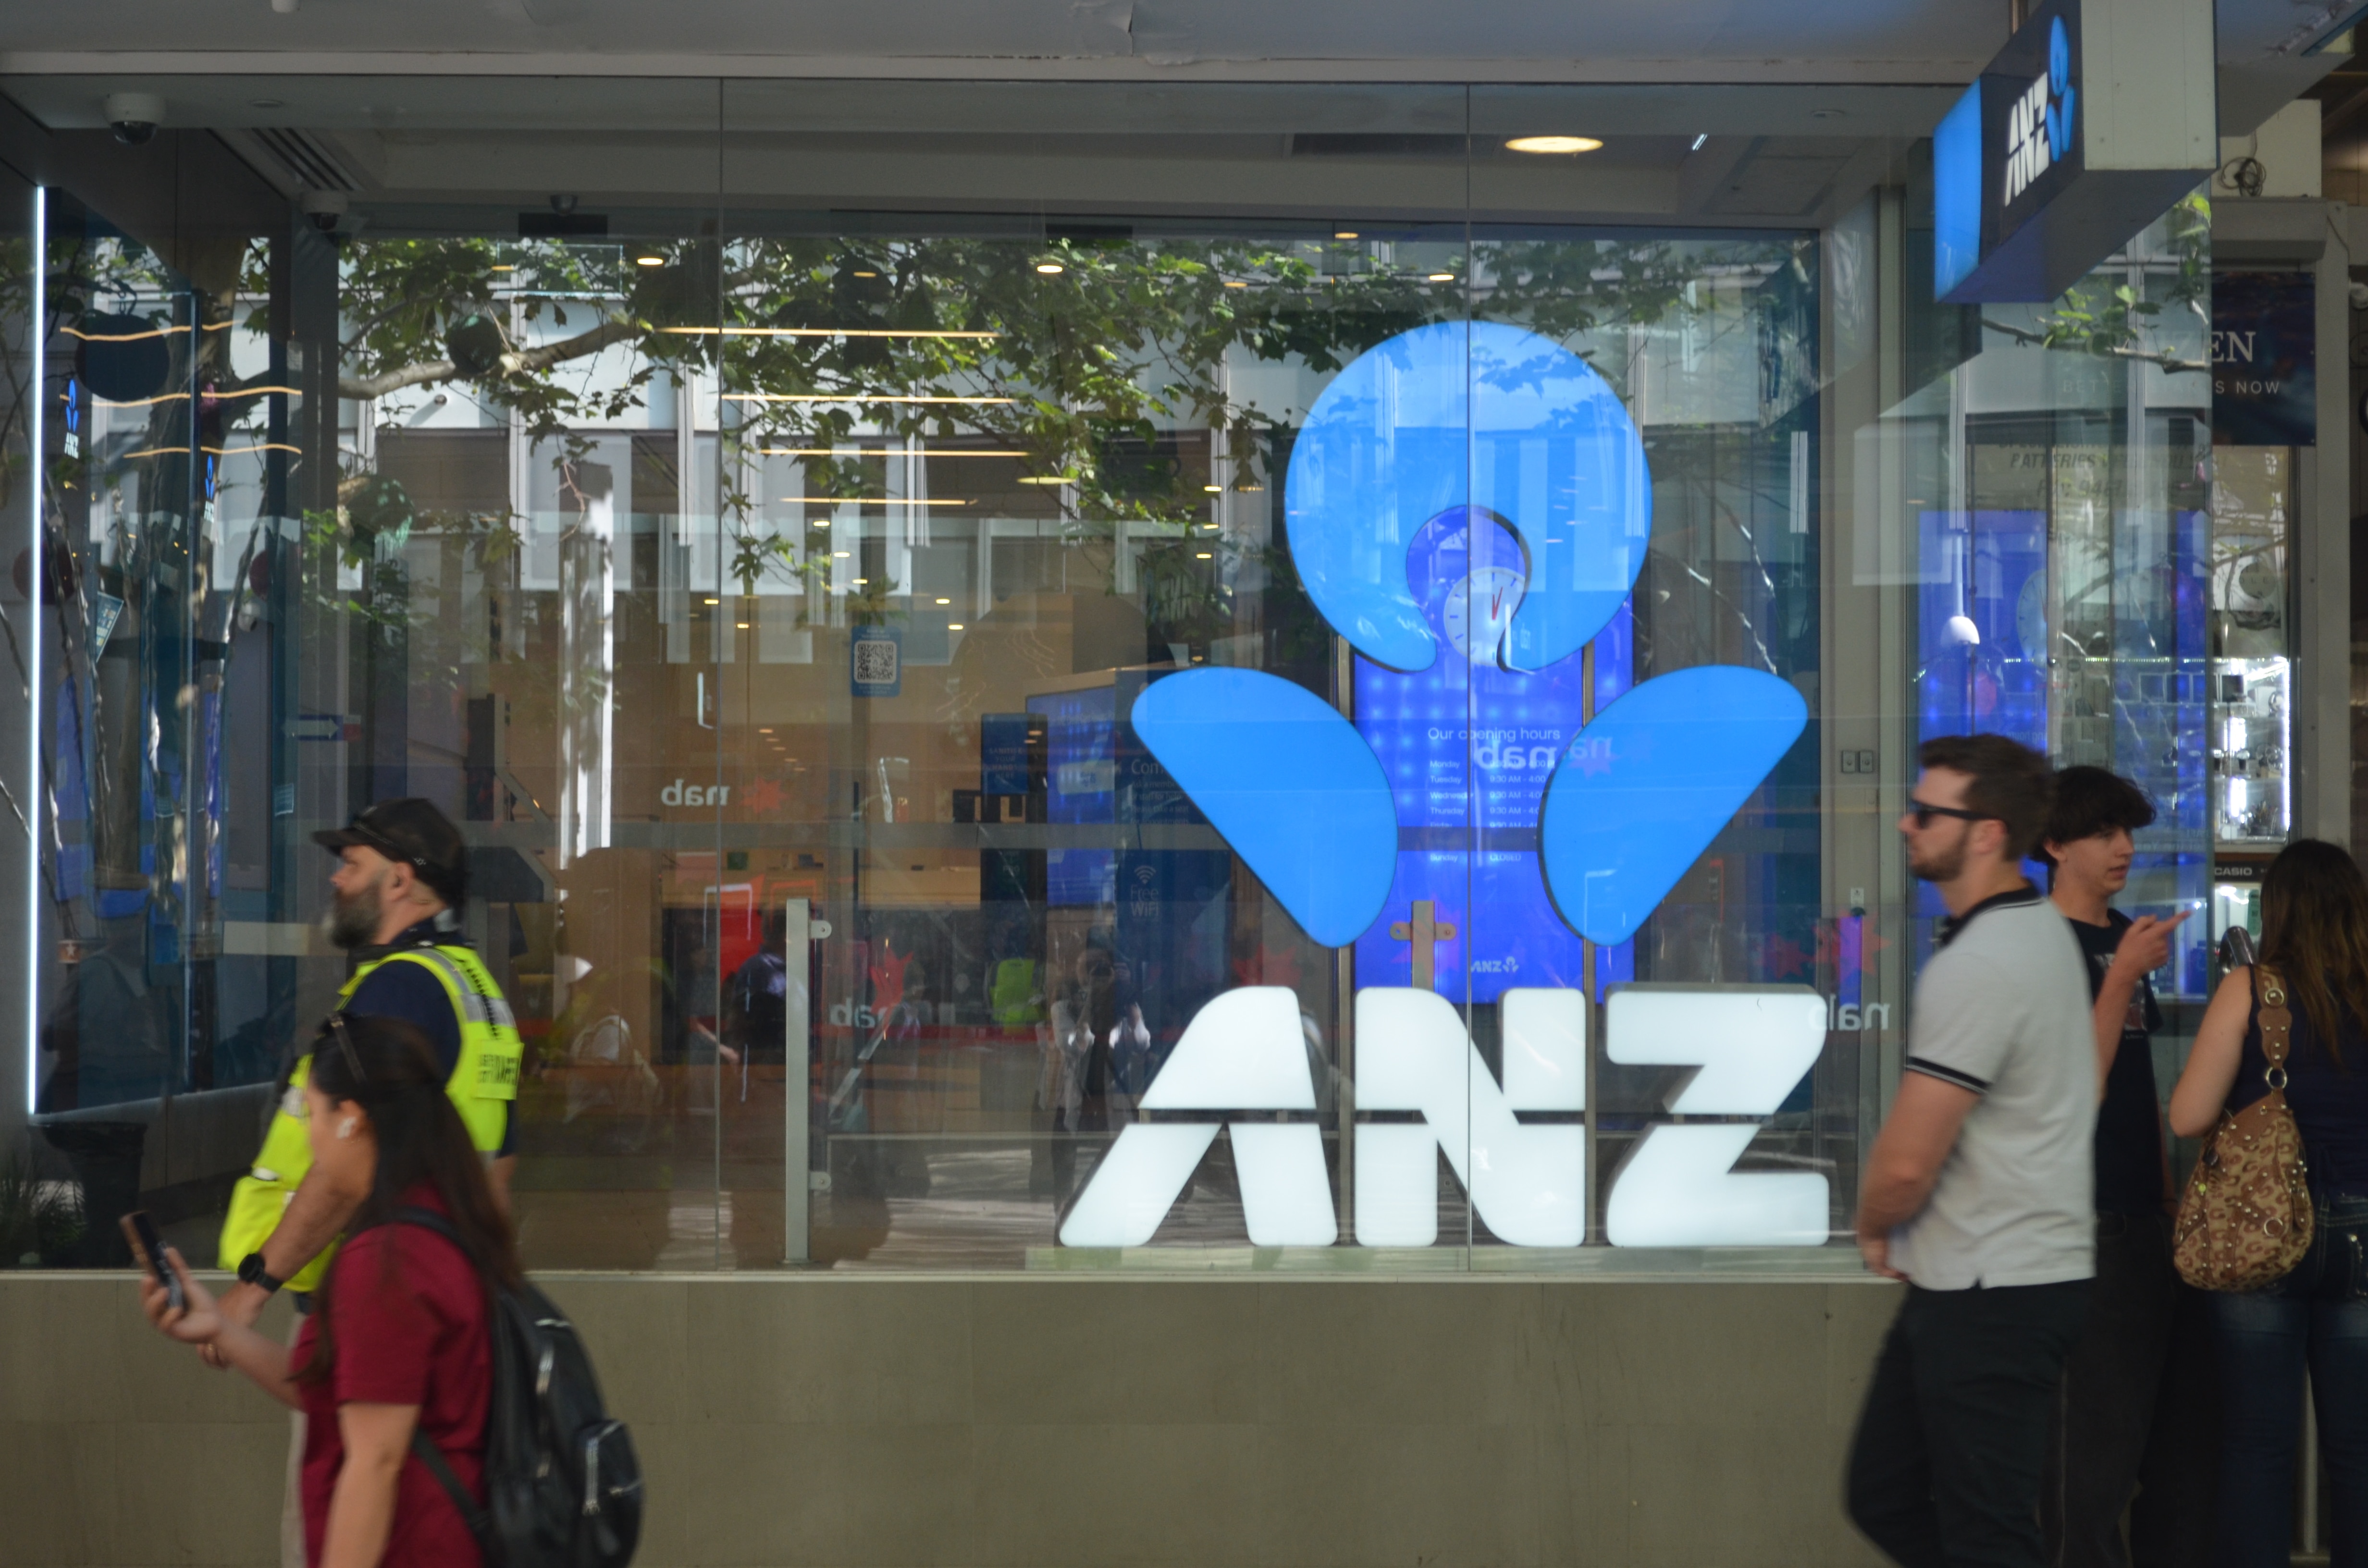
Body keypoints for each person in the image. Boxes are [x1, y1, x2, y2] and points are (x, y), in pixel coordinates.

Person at [210, 797, 525, 1568]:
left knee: (347, 1513)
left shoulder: (397, 991)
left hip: (371, 1303)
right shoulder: (475, 988)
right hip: (442, 1302)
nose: (337, 878)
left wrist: (253, 1286)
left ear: (402, 881)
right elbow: (502, 1165)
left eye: (352, 864)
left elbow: (345, 1176)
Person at [1845, 733, 2098, 1568]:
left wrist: (1874, 1223)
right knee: (1886, 1492)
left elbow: (1911, 1154)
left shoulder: (1985, 957)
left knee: (1986, 1533)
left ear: (1984, 832)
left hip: (1996, 1285)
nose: (1903, 824)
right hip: (1977, 1274)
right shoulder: (2029, 930)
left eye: (1925, 812)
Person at [138, 1013, 515, 1568]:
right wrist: (218, 1327)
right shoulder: (435, 1217)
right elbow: (338, 1391)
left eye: (311, 1113)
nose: (309, 1135)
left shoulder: (389, 1261)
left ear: (351, 1120)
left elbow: (376, 1462)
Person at [2169, 839, 2368, 1568]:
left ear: (2276, 909)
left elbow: (2188, 1117)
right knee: (2358, 1451)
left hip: (2259, 1232)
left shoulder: (2252, 990)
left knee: (2257, 1444)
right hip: (2364, 1236)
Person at [2036, 766, 2214, 1568]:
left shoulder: (2122, 938)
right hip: (2082, 1225)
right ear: (2052, 843)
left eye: (2128, 832)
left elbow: (2136, 1083)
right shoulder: (2038, 943)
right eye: (2104, 833)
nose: (2124, 849)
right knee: (2088, 1463)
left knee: (2164, 1450)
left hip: (2144, 1223)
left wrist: (2169, 1195)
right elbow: (2076, 1086)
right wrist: (2116, 975)